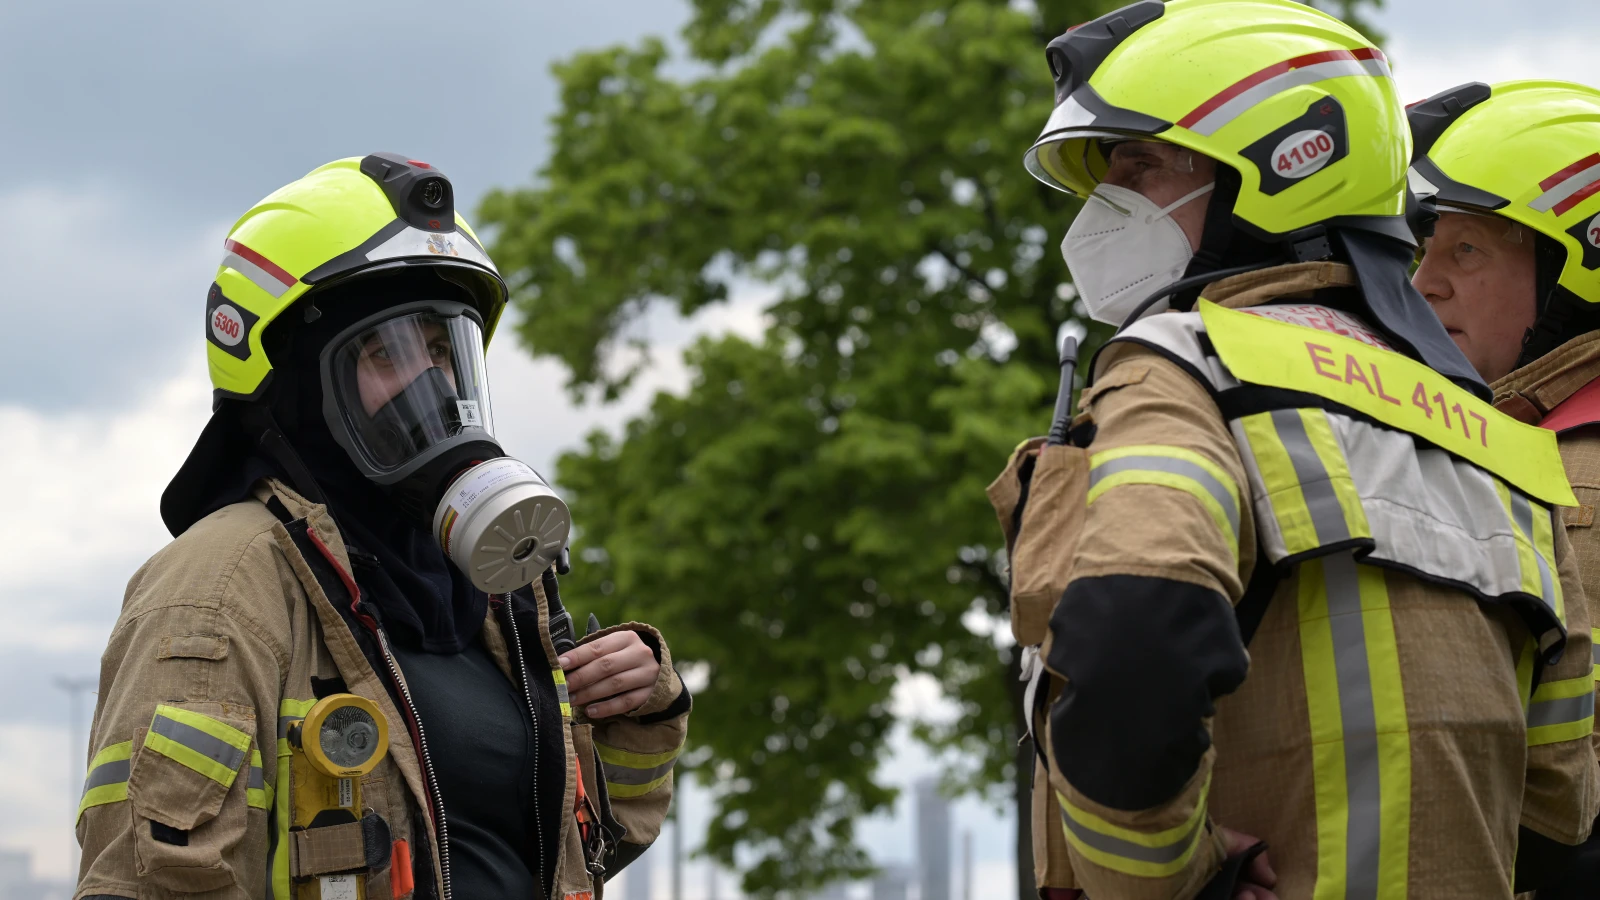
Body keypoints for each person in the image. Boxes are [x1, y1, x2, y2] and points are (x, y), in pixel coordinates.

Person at [1008, 1, 1599, 897]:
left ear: (1285, 166)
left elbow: (1131, 642)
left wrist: (1176, 879)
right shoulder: (1494, 433)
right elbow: (1561, 797)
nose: (1107, 206)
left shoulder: (1184, 371)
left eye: (1140, 164)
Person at [73, 154, 691, 899]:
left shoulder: (486, 590)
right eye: (386, 352)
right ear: (298, 379)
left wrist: (636, 710)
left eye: (441, 349)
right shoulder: (217, 589)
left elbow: (571, 853)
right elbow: (153, 881)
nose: (430, 382)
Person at [1409, 79, 1600, 898]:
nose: (1423, 284)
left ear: (1575, 270)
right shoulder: (1524, 440)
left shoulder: (1573, 471)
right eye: (1424, 250)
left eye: (1467, 251)